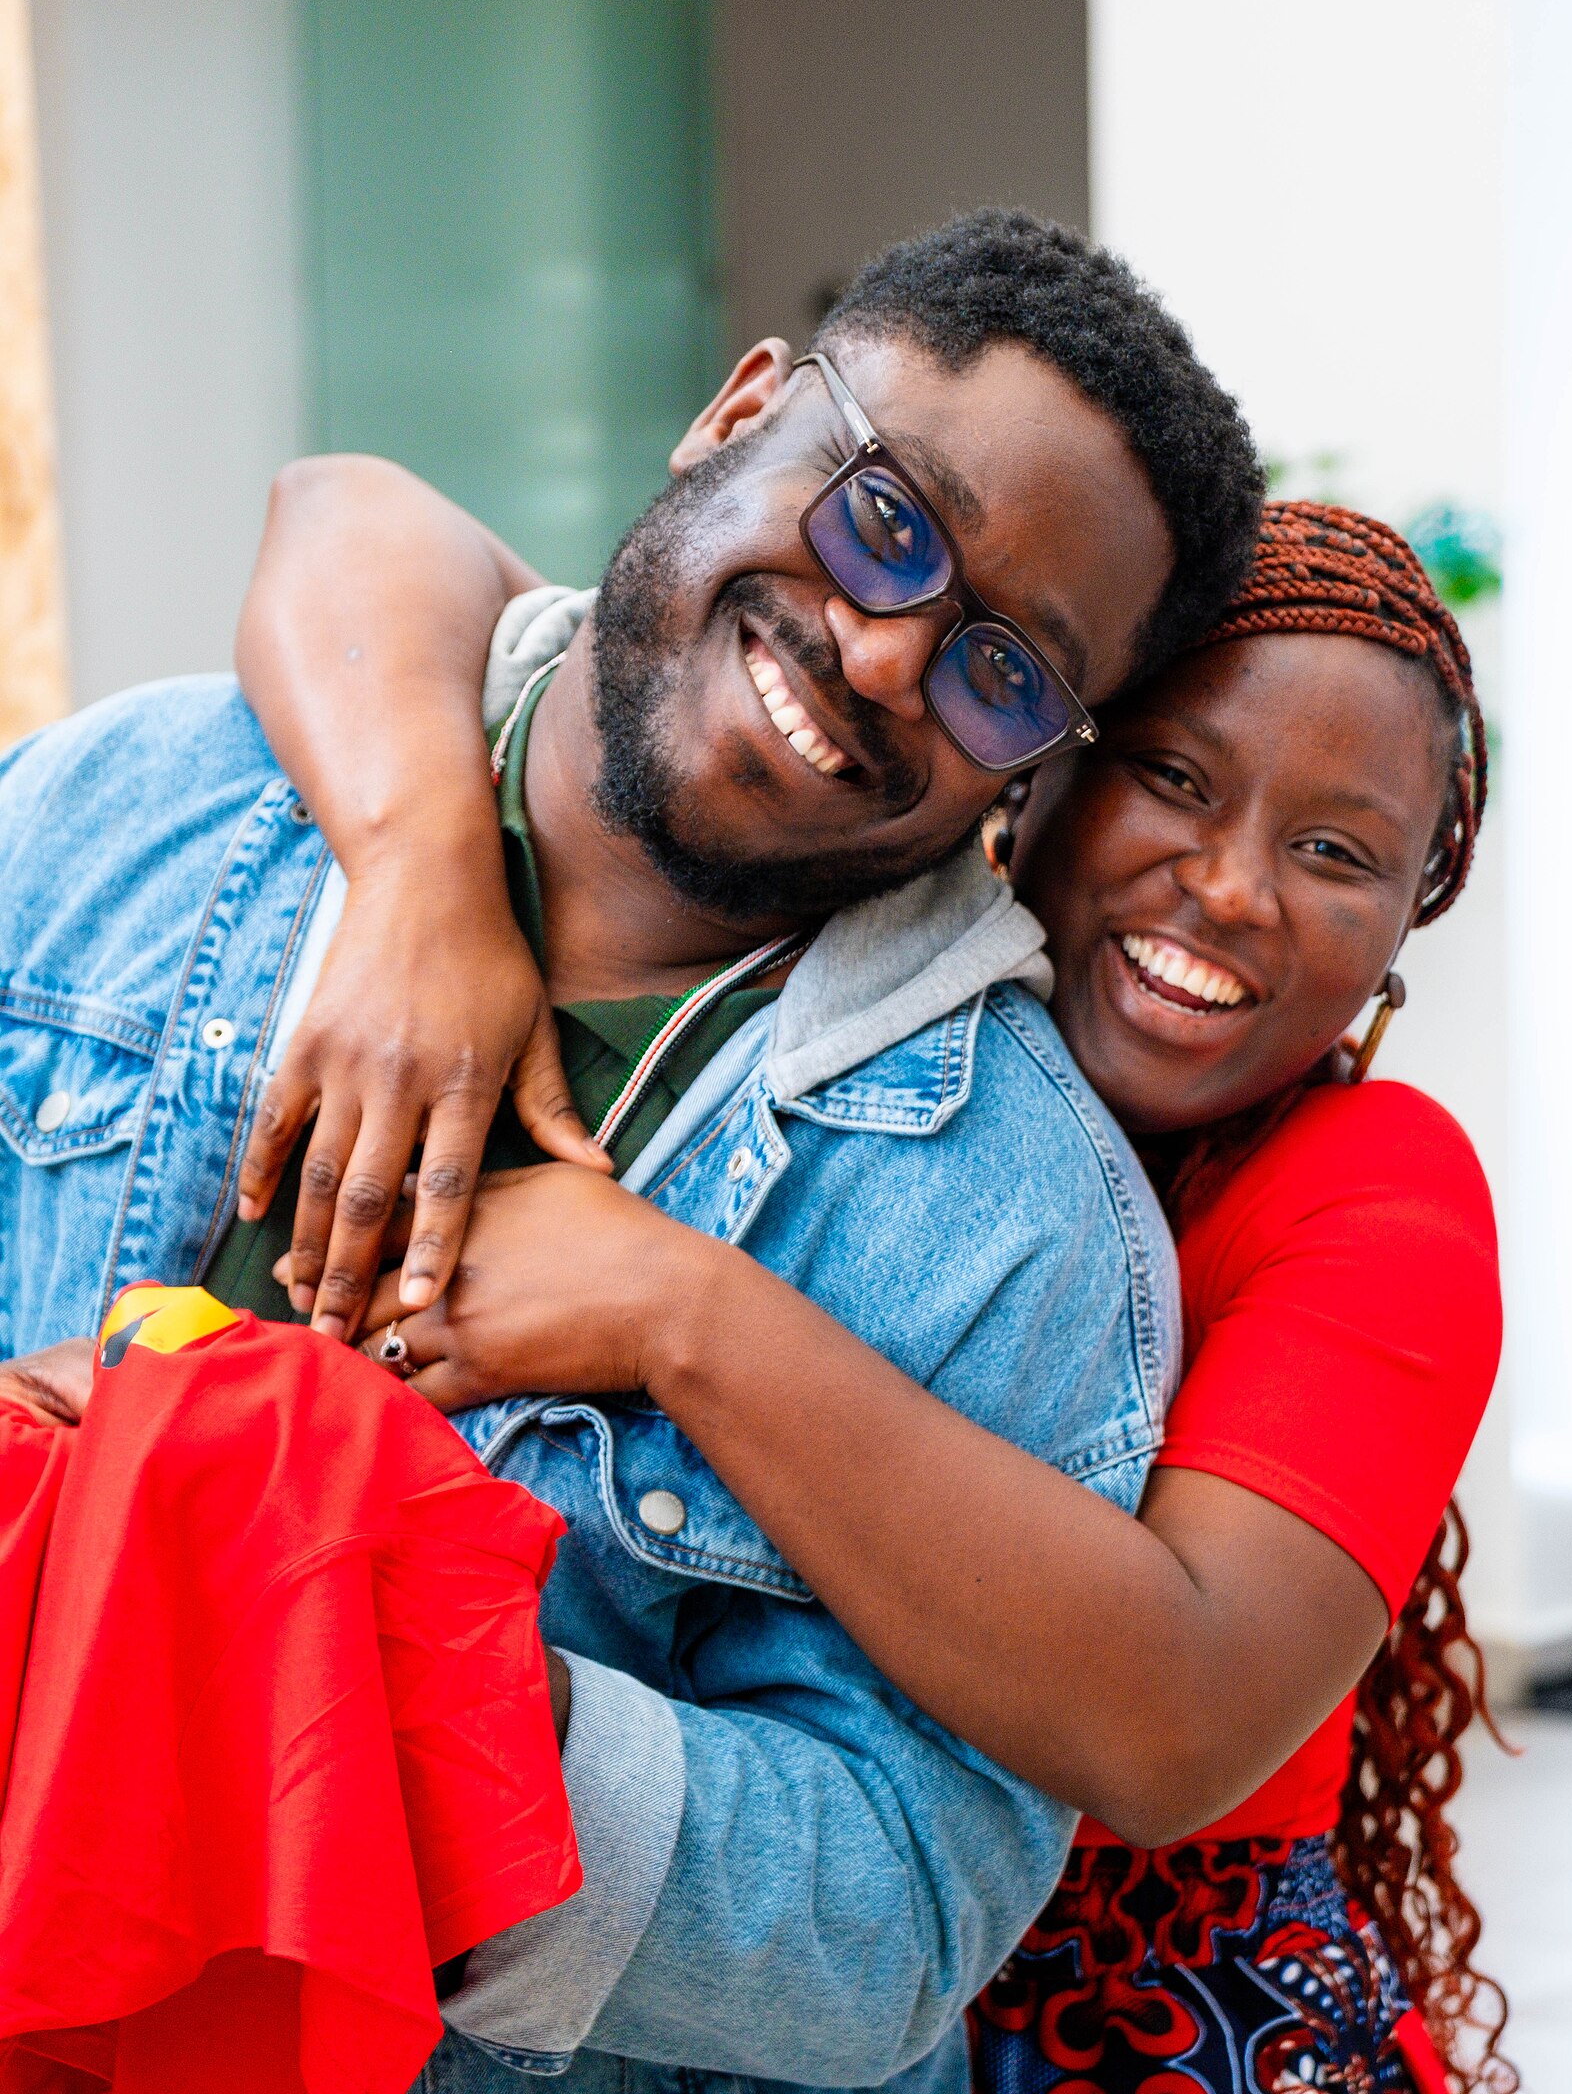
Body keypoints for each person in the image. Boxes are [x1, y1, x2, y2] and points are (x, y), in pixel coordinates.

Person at [0, 211, 1266, 2094]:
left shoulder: (1011, 1217)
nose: (881, 647)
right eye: (882, 517)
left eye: (1004, 671)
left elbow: (893, 1929)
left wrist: (362, 1681)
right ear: (740, 408)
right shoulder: (147, 802)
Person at [233, 500, 1514, 2091]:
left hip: (1145, 2034)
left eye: (1339, 854)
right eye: (1174, 778)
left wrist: (673, 1309)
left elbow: (1177, 1720)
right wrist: (418, 861)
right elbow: (357, 522)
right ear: (1035, 766)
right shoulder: (862, 1021)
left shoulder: (1377, 1193)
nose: (1235, 888)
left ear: (1405, 933)